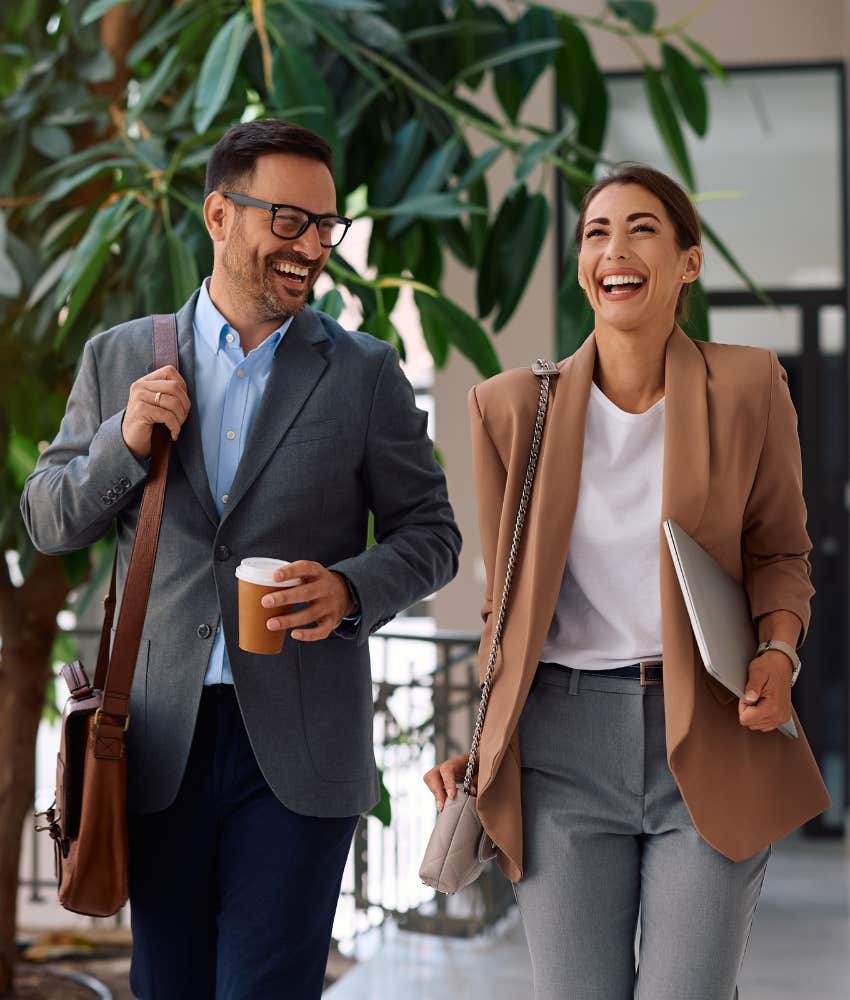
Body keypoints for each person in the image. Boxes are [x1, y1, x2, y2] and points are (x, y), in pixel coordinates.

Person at [22, 119, 461, 999]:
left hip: (299, 747)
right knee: (167, 984)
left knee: (266, 986)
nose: (312, 248)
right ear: (220, 215)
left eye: (326, 227)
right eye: (287, 221)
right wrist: (123, 441)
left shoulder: (365, 373)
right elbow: (47, 519)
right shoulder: (120, 358)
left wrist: (349, 588)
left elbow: (433, 534)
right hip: (152, 743)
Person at [424, 164, 829, 1000]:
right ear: (582, 263)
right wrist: (486, 740)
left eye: (643, 228)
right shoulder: (511, 411)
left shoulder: (750, 386)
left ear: (688, 261)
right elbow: (504, 606)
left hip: (710, 731)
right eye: (596, 232)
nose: (615, 247)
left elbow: (782, 551)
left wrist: (780, 653)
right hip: (559, 748)